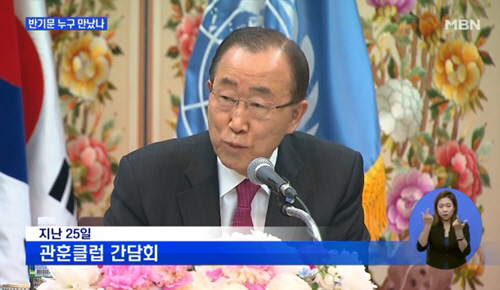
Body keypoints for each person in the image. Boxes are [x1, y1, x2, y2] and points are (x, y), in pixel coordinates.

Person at [104, 27, 370, 241]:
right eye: (227, 97)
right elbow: (117, 279)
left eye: (257, 105)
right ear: (210, 89)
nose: (237, 122)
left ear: (295, 116)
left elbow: (348, 278)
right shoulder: (145, 177)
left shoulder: (336, 175)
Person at [417, 190, 471, 269]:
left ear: (454, 208)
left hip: (455, 271)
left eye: (448, 206)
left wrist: (458, 231)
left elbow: (466, 251)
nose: (444, 210)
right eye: (441, 206)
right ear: (436, 208)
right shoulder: (432, 224)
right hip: (434, 272)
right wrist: (427, 225)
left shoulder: (462, 226)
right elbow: (420, 247)